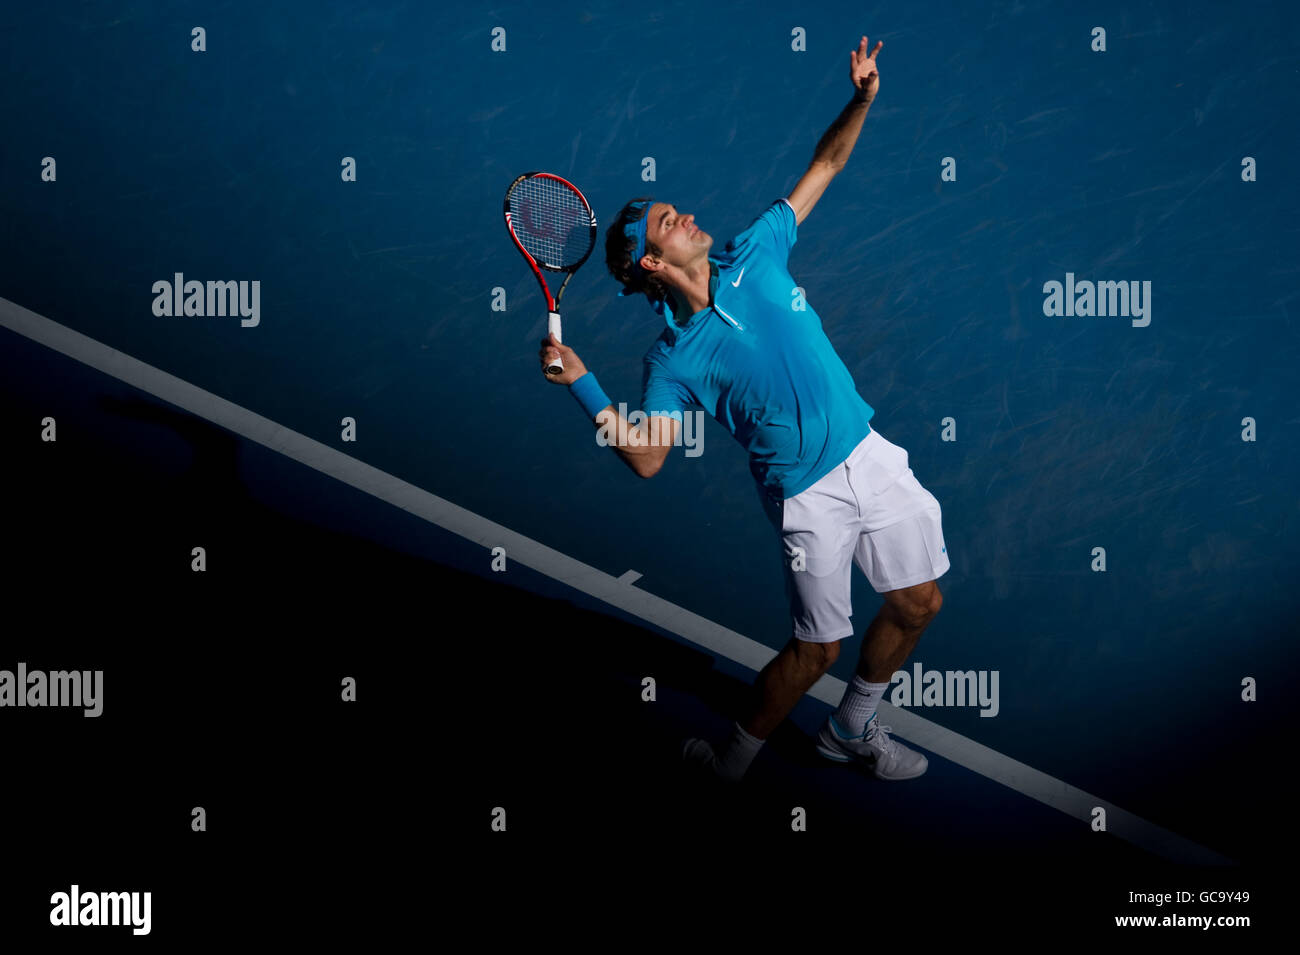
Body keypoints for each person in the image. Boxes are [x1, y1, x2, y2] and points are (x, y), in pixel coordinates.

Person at [539, 36, 949, 782]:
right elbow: (648, 457)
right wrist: (583, 383)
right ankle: (729, 763)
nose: (687, 214)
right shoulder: (670, 362)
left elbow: (825, 165)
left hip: (868, 452)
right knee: (814, 650)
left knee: (919, 602)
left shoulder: (756, 249)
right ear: (654, 265)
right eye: (669, 221)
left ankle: (850, 727)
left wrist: (860, 98)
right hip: (807, 499)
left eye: (676, 209)